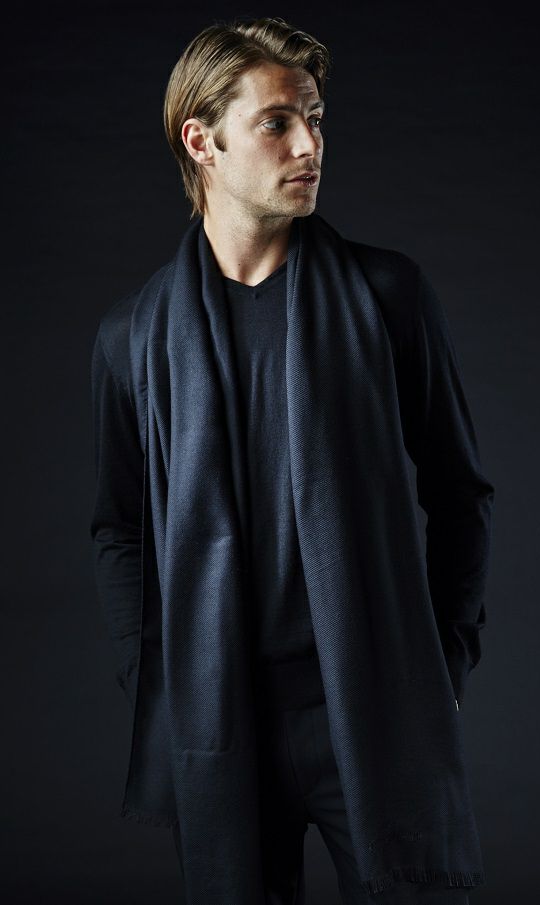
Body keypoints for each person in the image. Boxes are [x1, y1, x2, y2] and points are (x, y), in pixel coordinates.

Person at [89, 16, 495, 905]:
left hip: (374, 707)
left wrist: (446, 661)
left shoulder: (387, 297)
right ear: (202, 142)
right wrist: (152, 672)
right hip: (223, 717)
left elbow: (460, 493)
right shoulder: (133, 338)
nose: (310, 145)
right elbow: (118, 526)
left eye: (315, 118)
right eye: (277, 122)